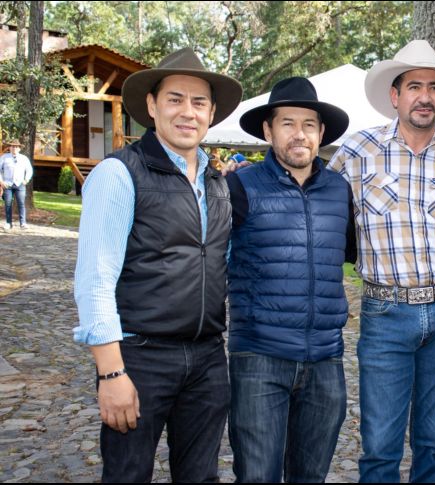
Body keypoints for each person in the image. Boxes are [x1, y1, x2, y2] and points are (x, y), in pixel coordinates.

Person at [73, 48, 242, 482]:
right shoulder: (118, 174)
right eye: (175, 99)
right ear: (152, 105)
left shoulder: (217, 183)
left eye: (199, 102)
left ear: (211, 113)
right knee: (128, 475)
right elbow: (95, 280)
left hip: (206, 358)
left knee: (200, 476)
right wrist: (111, 372)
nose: (188, 112)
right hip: (139, 357)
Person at [328, 40, 435, 482]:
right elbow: (322, 214)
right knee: (380, 447)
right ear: (395, 96)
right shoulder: (358, 152)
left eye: (434, 87)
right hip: (386, 312)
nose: (424, 96)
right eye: (414, 86)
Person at [226, 77, 356, 483]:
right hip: (259, 358)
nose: (299, 134)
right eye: (287, 123)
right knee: (257, 476)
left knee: (310, 476)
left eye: (309, 124)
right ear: (268, 130)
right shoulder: (238, 186)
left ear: (321, 133)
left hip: (325, 360)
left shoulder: (340, 191)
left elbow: (348, 253)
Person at [0, 139, 33, 230]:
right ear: (9, 148)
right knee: (8, 204)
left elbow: (29, 170)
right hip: (7, 184)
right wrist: (1, 182)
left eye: (16, 147)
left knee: (21, 203)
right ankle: (8, 223)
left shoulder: (24, 158)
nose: (14, 148)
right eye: (12, 146)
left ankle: (23, 223)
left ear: (19, 148)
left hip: (20, 184)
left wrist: (26, 180)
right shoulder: (4, 157)